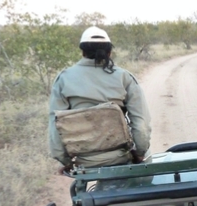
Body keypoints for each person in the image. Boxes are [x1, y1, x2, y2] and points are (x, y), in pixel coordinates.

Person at [48, 26, 151, 174]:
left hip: (83, 160)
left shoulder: (63, 79)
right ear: (109, 52)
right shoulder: (124, 77)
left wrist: (65, 160)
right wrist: (140, 153)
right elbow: (140, 124)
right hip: (121, 156)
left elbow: (55, 124)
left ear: (82, 52)